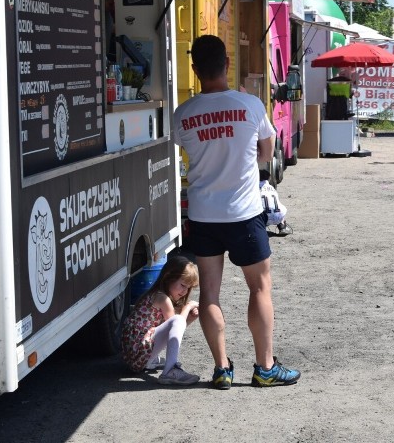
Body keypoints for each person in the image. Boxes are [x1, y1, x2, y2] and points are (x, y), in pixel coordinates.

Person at [172, 35, 300, 390]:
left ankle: (222, 369)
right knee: (259, 288)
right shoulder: (250, 104)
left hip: (203, 216)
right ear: (227, 63)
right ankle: (265, 367)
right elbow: (266, 153)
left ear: (195, 69)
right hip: (244, 213)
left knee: (210, 294)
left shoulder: (183, 114)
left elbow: (182, 152)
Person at [121, 255, 200, 385]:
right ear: (168, 278)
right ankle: (169, 371)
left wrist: (189, 317)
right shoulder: (162, 298)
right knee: (178, 319)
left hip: (135, 354)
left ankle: (153, 361)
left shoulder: (157, 294)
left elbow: (173, 330)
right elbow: (176, 323)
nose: (185, 291)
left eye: (188, 288)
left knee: (178, 320)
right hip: (138, 354)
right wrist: (187, 308)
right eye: (182, 285)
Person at [259, 169, 292, 237]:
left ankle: (259, 229)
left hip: (263, 219)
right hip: (278, 217)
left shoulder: (255, 188)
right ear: (268, 178)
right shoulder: (272, 188)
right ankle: (282, 226)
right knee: (279, 208)